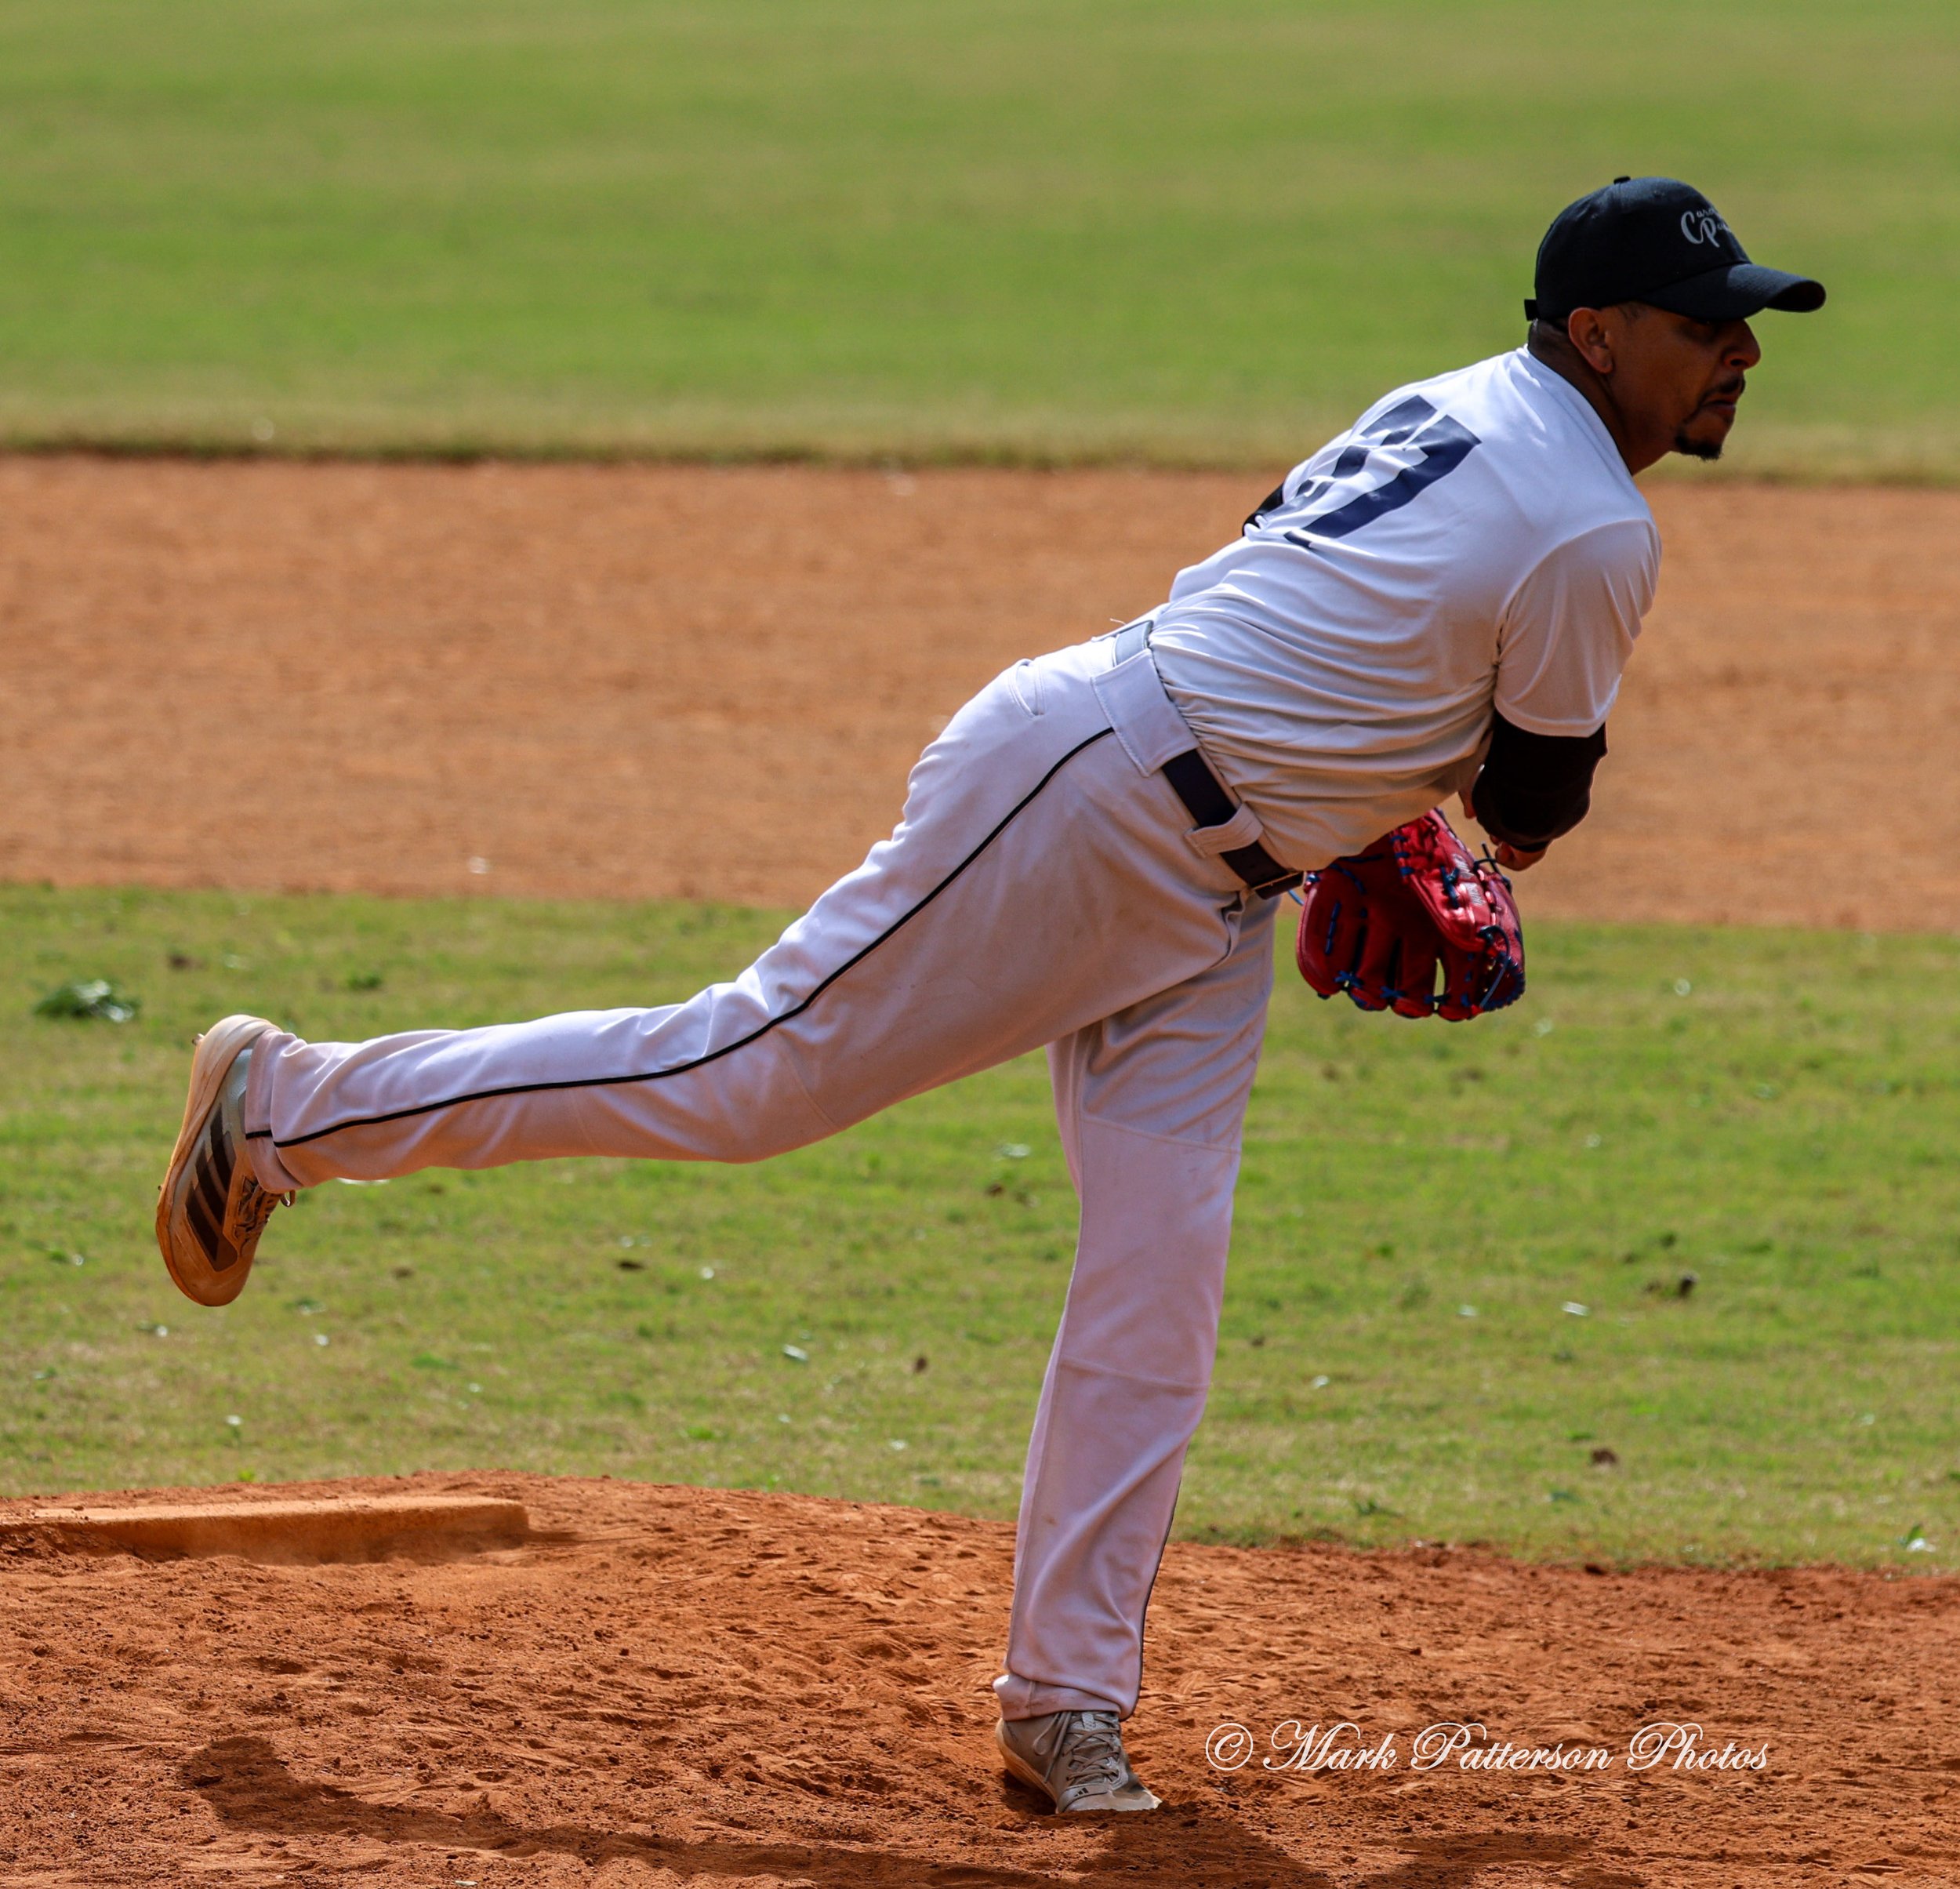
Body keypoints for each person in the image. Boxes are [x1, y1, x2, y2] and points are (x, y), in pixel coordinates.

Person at [157, 178, 1822, 1814]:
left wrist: (1354, 814)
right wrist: (1409, 821)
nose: (1733, 353)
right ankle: (286, 1104)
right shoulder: (1594, 522)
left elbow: (1290, 575)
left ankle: (1064, 1698)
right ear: (1595, 333)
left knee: (1158, 1273)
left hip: (1201, 867)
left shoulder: (1457, 404)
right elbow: (1531, 804)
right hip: (1087, 801)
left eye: (1741, 326)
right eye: (1702, 327)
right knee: (746, 1073)